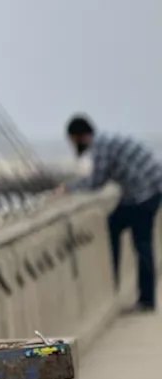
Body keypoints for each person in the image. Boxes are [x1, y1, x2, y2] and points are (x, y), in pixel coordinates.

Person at [63, 114, 162, 312]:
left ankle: (142, 298)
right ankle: (140, 296)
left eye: (73, 141)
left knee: (138, 242)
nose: (74, 146)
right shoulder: (106, 141)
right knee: (124, 232)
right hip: (147, 191)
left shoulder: (100, 148)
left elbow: (95, 183)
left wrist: (68, 188)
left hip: (144, 195)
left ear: (80, 136)